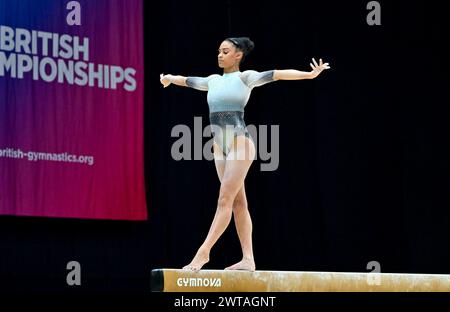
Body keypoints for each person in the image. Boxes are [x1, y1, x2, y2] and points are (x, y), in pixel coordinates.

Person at [160, 37, 330, 271]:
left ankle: (203, 253)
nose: (219, 55)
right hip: (219, 146)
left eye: (225, 51)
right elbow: (187, 81)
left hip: (240, 142)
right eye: (219, 51)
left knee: (224, 200)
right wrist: (169, 78)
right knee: (239, 203)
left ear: (238, 55)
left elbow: (278, 74)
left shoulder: (245, 77)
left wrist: (308, 75)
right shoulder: (212, 81)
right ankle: (248, 259)